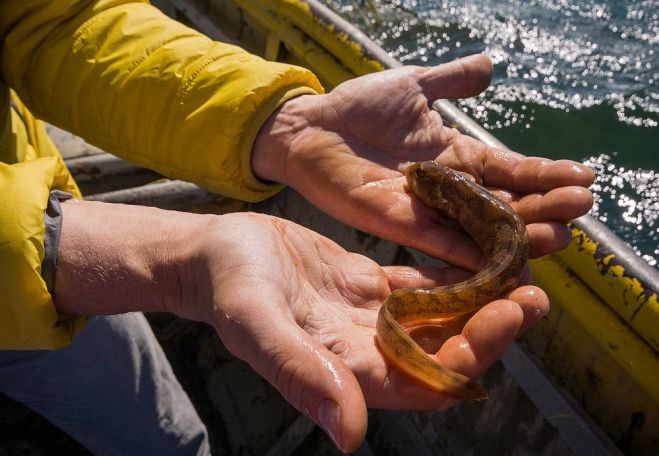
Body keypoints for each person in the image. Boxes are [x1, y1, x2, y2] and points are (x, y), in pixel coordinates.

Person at [0, 1, 594, 454]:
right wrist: (151, 258)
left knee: (164, 441)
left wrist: (281, 124)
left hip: (45, 248)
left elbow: (52, 20)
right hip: (52, 249)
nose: (422, 186)